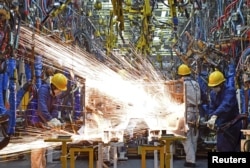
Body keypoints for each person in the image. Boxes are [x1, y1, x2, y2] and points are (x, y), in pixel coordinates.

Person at [31, 73, 68, 168]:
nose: (60, 92)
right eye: (60, 89)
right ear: (54, 86)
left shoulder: (56, 95)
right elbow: (41, 108)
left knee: (42, 150)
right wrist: (50, 119)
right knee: (37, 151)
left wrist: (54, 119)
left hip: (44, 122)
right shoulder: (44, 90)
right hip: (35, 121)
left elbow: (55, 108)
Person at [207, 70, 242, 152]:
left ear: (222, 84)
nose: (214, 88)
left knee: (234, 148)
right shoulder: (213, 94)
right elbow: (211, 107)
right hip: (222, 126)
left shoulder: (230, 91)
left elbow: (226, 104)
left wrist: (215, 115)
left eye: (215, 86)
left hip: (233, 125)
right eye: (212, 86)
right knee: (221, 147)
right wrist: (210, 117)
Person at [177, 64, 201, 168]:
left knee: (185, 137)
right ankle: (191, 158)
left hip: (187, 112)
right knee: (193, 136)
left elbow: (177, 98)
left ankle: (191, 161)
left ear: (181, 75)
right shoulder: (196, 83)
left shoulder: (182, 84)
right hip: (196, 111)